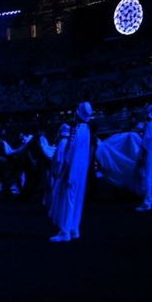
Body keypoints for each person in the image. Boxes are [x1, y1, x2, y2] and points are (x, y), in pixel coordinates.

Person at [50, 102, 92, 241]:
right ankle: (74, 228)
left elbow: (70, 153)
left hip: (72, 170)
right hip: (81, 171)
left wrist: (65, 171)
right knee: (77, 199)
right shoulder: (86, 129)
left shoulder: (77, 130)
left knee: (68, 199)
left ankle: (65, 231)